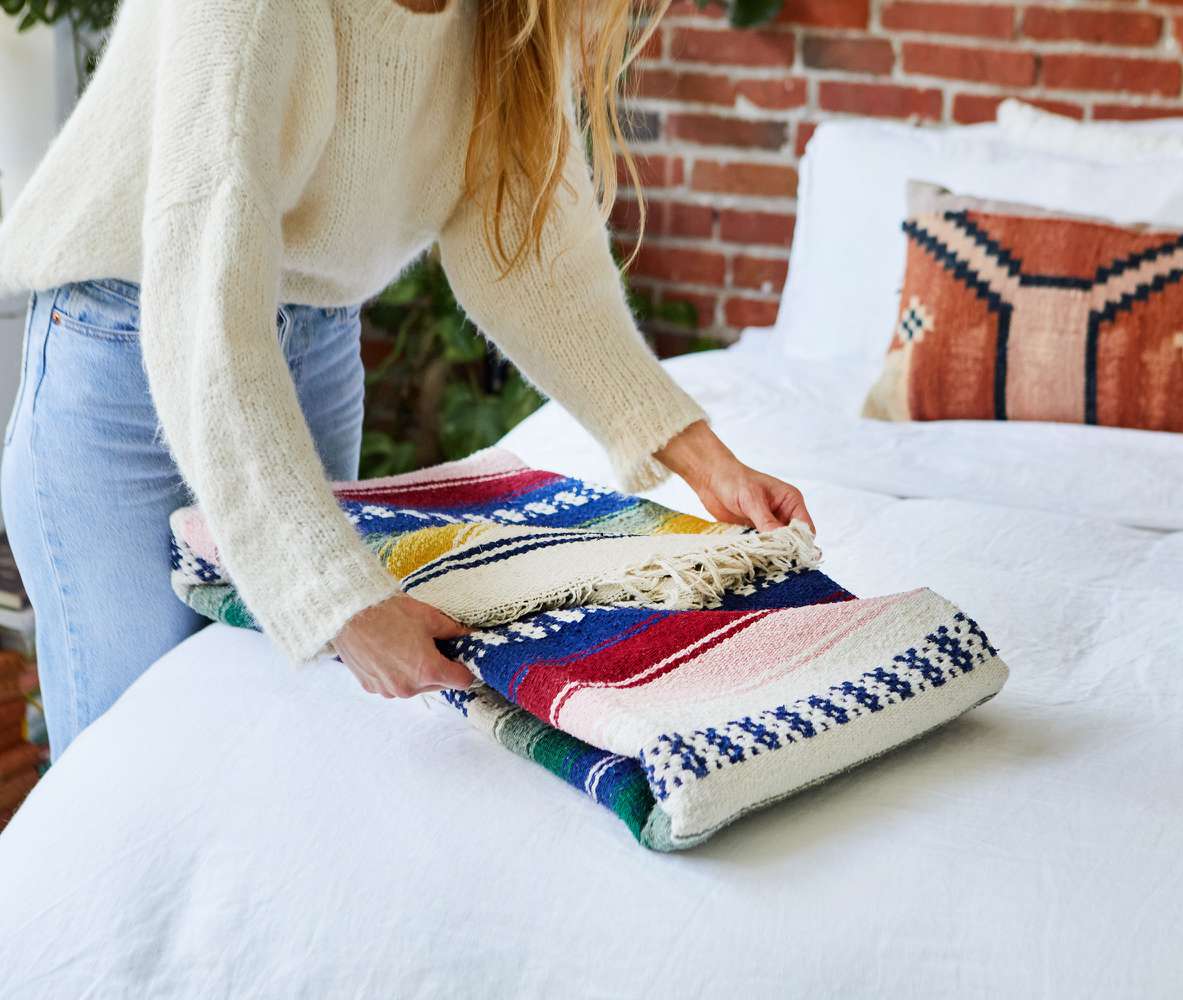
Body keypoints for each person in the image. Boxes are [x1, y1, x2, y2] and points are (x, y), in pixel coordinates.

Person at [0, 0, 813, 758]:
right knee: (130, 769)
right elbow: (205, 303)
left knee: (265, 748)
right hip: (124, 355)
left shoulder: (505, 17)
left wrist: (706, 460)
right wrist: (338, 599)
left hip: (311, 350)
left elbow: (533, 260)